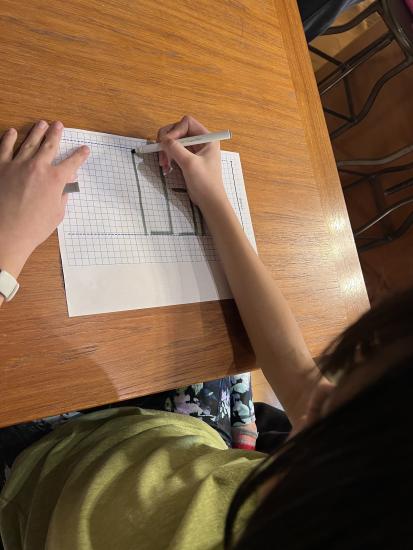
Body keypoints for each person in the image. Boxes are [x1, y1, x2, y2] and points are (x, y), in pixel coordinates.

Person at [0, 116, 411, 549]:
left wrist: (8, 241)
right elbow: (299, 374)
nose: (310, 404)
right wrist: (213, 196)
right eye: (329, 397)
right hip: (167, 439)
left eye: (323, 415)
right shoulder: (346, 470)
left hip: (44, 474)